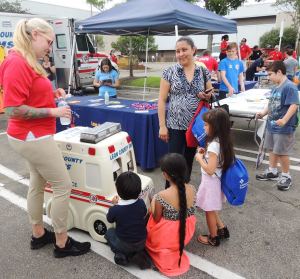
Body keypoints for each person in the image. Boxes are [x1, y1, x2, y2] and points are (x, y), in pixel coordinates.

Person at [0, 18, 91, 257]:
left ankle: (38, 234)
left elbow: (31, 94)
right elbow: (12, 109)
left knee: (37, 183)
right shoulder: (16, 62)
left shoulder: (27, 60)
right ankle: (62, 242)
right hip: (32, 136)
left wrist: (53, 94)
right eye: (49, 41)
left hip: (34, 135)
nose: (50, 46)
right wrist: (53, 111)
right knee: (63, 185)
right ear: (35, 35)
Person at [158, 36, 213, 183]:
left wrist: (207, 96)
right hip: (175, 125)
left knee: (188, 161)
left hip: (195, 126)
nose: (180, 54)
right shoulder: (169, 72)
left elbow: (211, 93)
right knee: (173, 163)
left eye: (184, 50)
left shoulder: (203, 72)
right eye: (177, 51)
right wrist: (162, 126)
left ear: (193, 50)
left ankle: (184, 194)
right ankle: (170, 195)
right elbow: (162, 100)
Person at [146, 153, 196, 276]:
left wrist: (152, 203)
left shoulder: (161, 196)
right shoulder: (192, 189)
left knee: (151, 216)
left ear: (166, 175)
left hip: (169, 235)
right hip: (187, 230)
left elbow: (156, 219)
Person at [256, 61, 299, 191]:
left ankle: (286, 176)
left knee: (282, 152)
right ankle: (273, 171)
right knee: (272, 149)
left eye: (270, 74)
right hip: (271, 125)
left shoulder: (290, 87)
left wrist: (284, 120)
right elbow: (271, 104)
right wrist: (263, 113)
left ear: (279, 72)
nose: (269, 77)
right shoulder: (275, 87)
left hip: (284, 127)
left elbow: (294, 105)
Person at [195, 108, 234, 246]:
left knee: (209, 210)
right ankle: (222, 229)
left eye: (206, 125)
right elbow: (215, 160)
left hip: (210, 182)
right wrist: (205, 153)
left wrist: (200, 158)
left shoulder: (213, 145)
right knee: (212, 207)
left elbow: (210, 170)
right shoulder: (223, 140)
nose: (203, 127)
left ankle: (213, 237)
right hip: (217, 181)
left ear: (215, 127)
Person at [105, 171, 151, 269]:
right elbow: (143, 213)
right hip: (142, 240)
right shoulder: (141, 203)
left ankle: (123, 255)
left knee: (109, 233)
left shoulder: (116, 209)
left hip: (125, 244)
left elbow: (109, 219)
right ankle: (139, 253)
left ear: (118, 191)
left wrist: (114, 204)